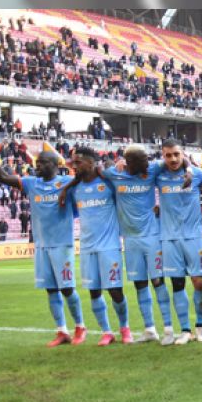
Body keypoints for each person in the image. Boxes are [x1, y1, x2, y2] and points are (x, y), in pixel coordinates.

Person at [69, 146, 175, 344]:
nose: (145, 164)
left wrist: (188, 169)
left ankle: (168, 330)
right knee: (139, 284)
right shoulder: (114, 176)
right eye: (139, 161)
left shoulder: (152, 169)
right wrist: (66, 189)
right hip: (130, 240)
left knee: (158, 282)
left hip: (151, 237)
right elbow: (95, 172)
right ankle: (149, 329)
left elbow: (175, 161)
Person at [0, 143, 86, 347]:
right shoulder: (32, 183)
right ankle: (62, 331)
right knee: (50, 289)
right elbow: (2, 177)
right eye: (37, 163)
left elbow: (85, 177)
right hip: (41, 246)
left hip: (62, 245)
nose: (37, 166)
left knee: (67, 288)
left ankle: (80, 326)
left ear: (55, 165)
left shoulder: (66, 182)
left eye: (42, 163)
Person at [67, 146, 131, 347]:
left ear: (91, 163)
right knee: (94, 291)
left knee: (115, 291)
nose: (75, 166)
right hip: (87, 247)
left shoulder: (108, 183)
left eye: (79, 162)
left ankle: (125, 328)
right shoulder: (75, 189)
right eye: (74, 163)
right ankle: (106, 332)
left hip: (109, 246)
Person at [156, 140, 202, 346]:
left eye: (176, 154)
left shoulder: (197, 174)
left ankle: (200, 325)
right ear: (162, 156)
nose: (172, 159)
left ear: (183, 154)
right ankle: (185, 330)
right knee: (177, 283)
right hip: (169, 237)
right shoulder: (159, 174)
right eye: (168, 155)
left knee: (198, 282)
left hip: (193, 236)